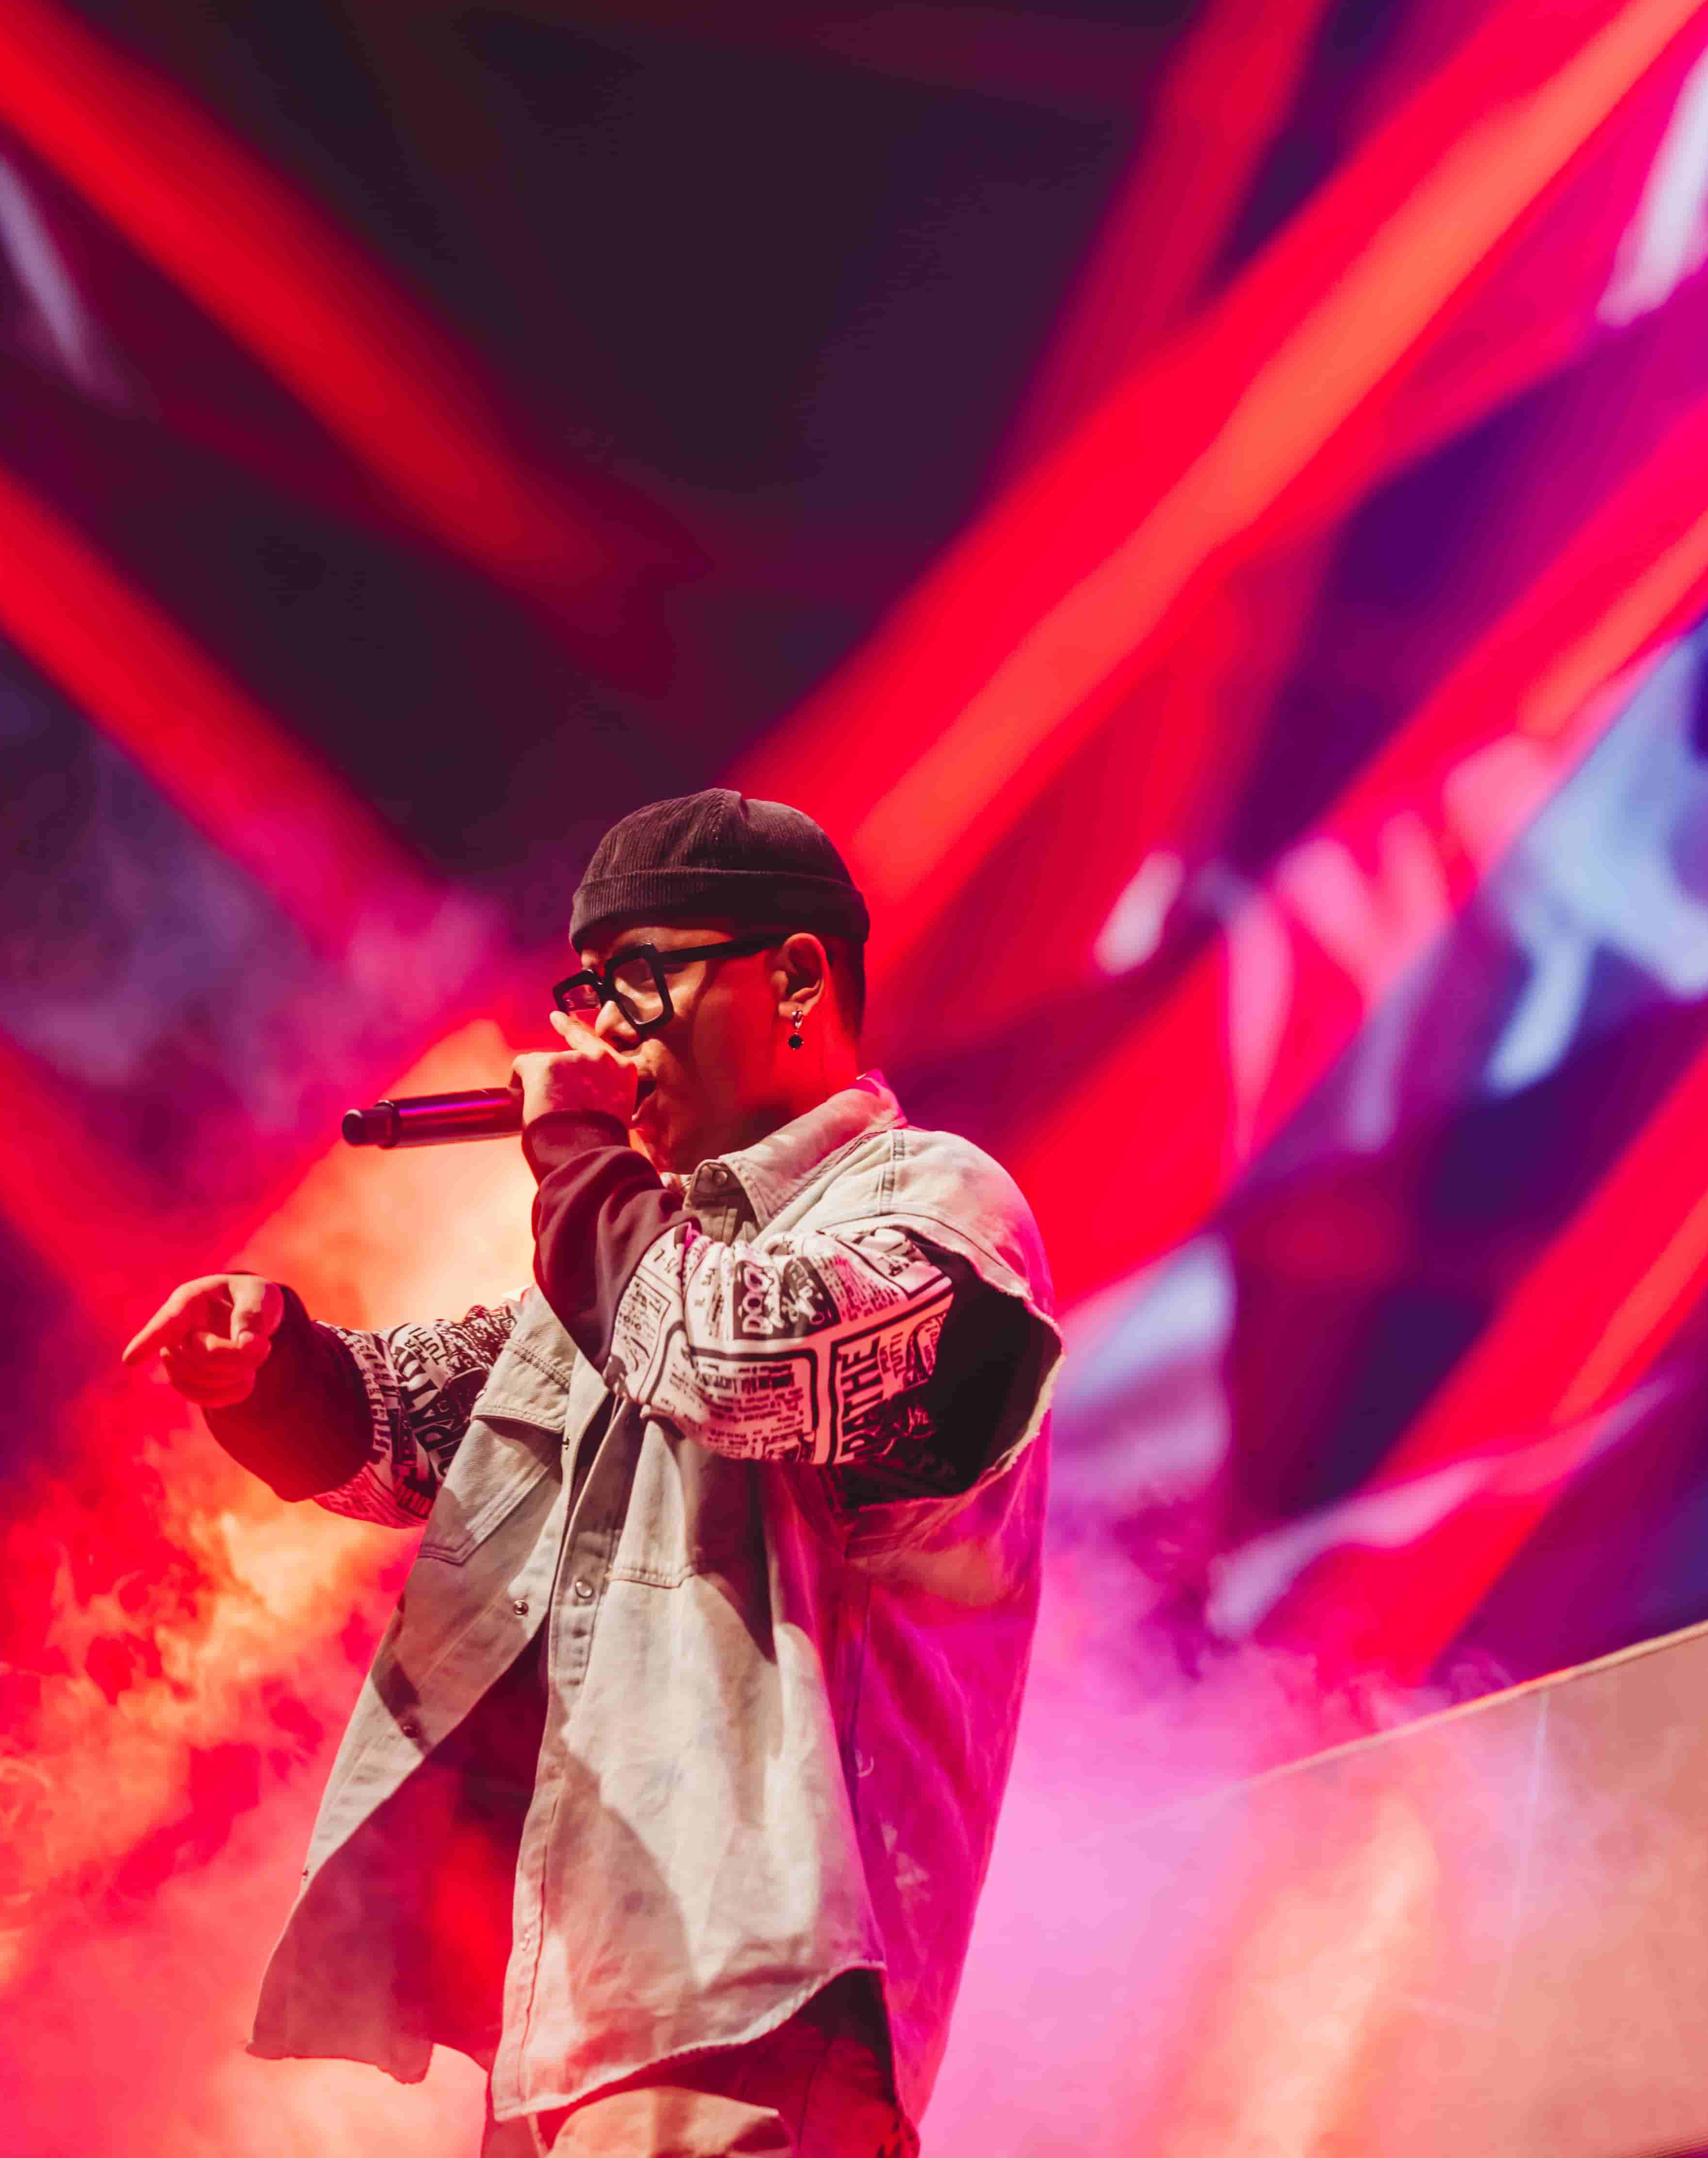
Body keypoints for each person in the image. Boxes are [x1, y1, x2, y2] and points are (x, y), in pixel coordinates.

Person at [122, 790, 1060, 2158]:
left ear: (797, 978)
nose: (598, 1031)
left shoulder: (933, 1202)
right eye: (585, 992)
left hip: (754, 2014)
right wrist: (271, 1367)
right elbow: (402, 1437)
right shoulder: (640, 1267)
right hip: (561, 2027)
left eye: (638, 980)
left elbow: (734, 1360)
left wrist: (575, 1152)